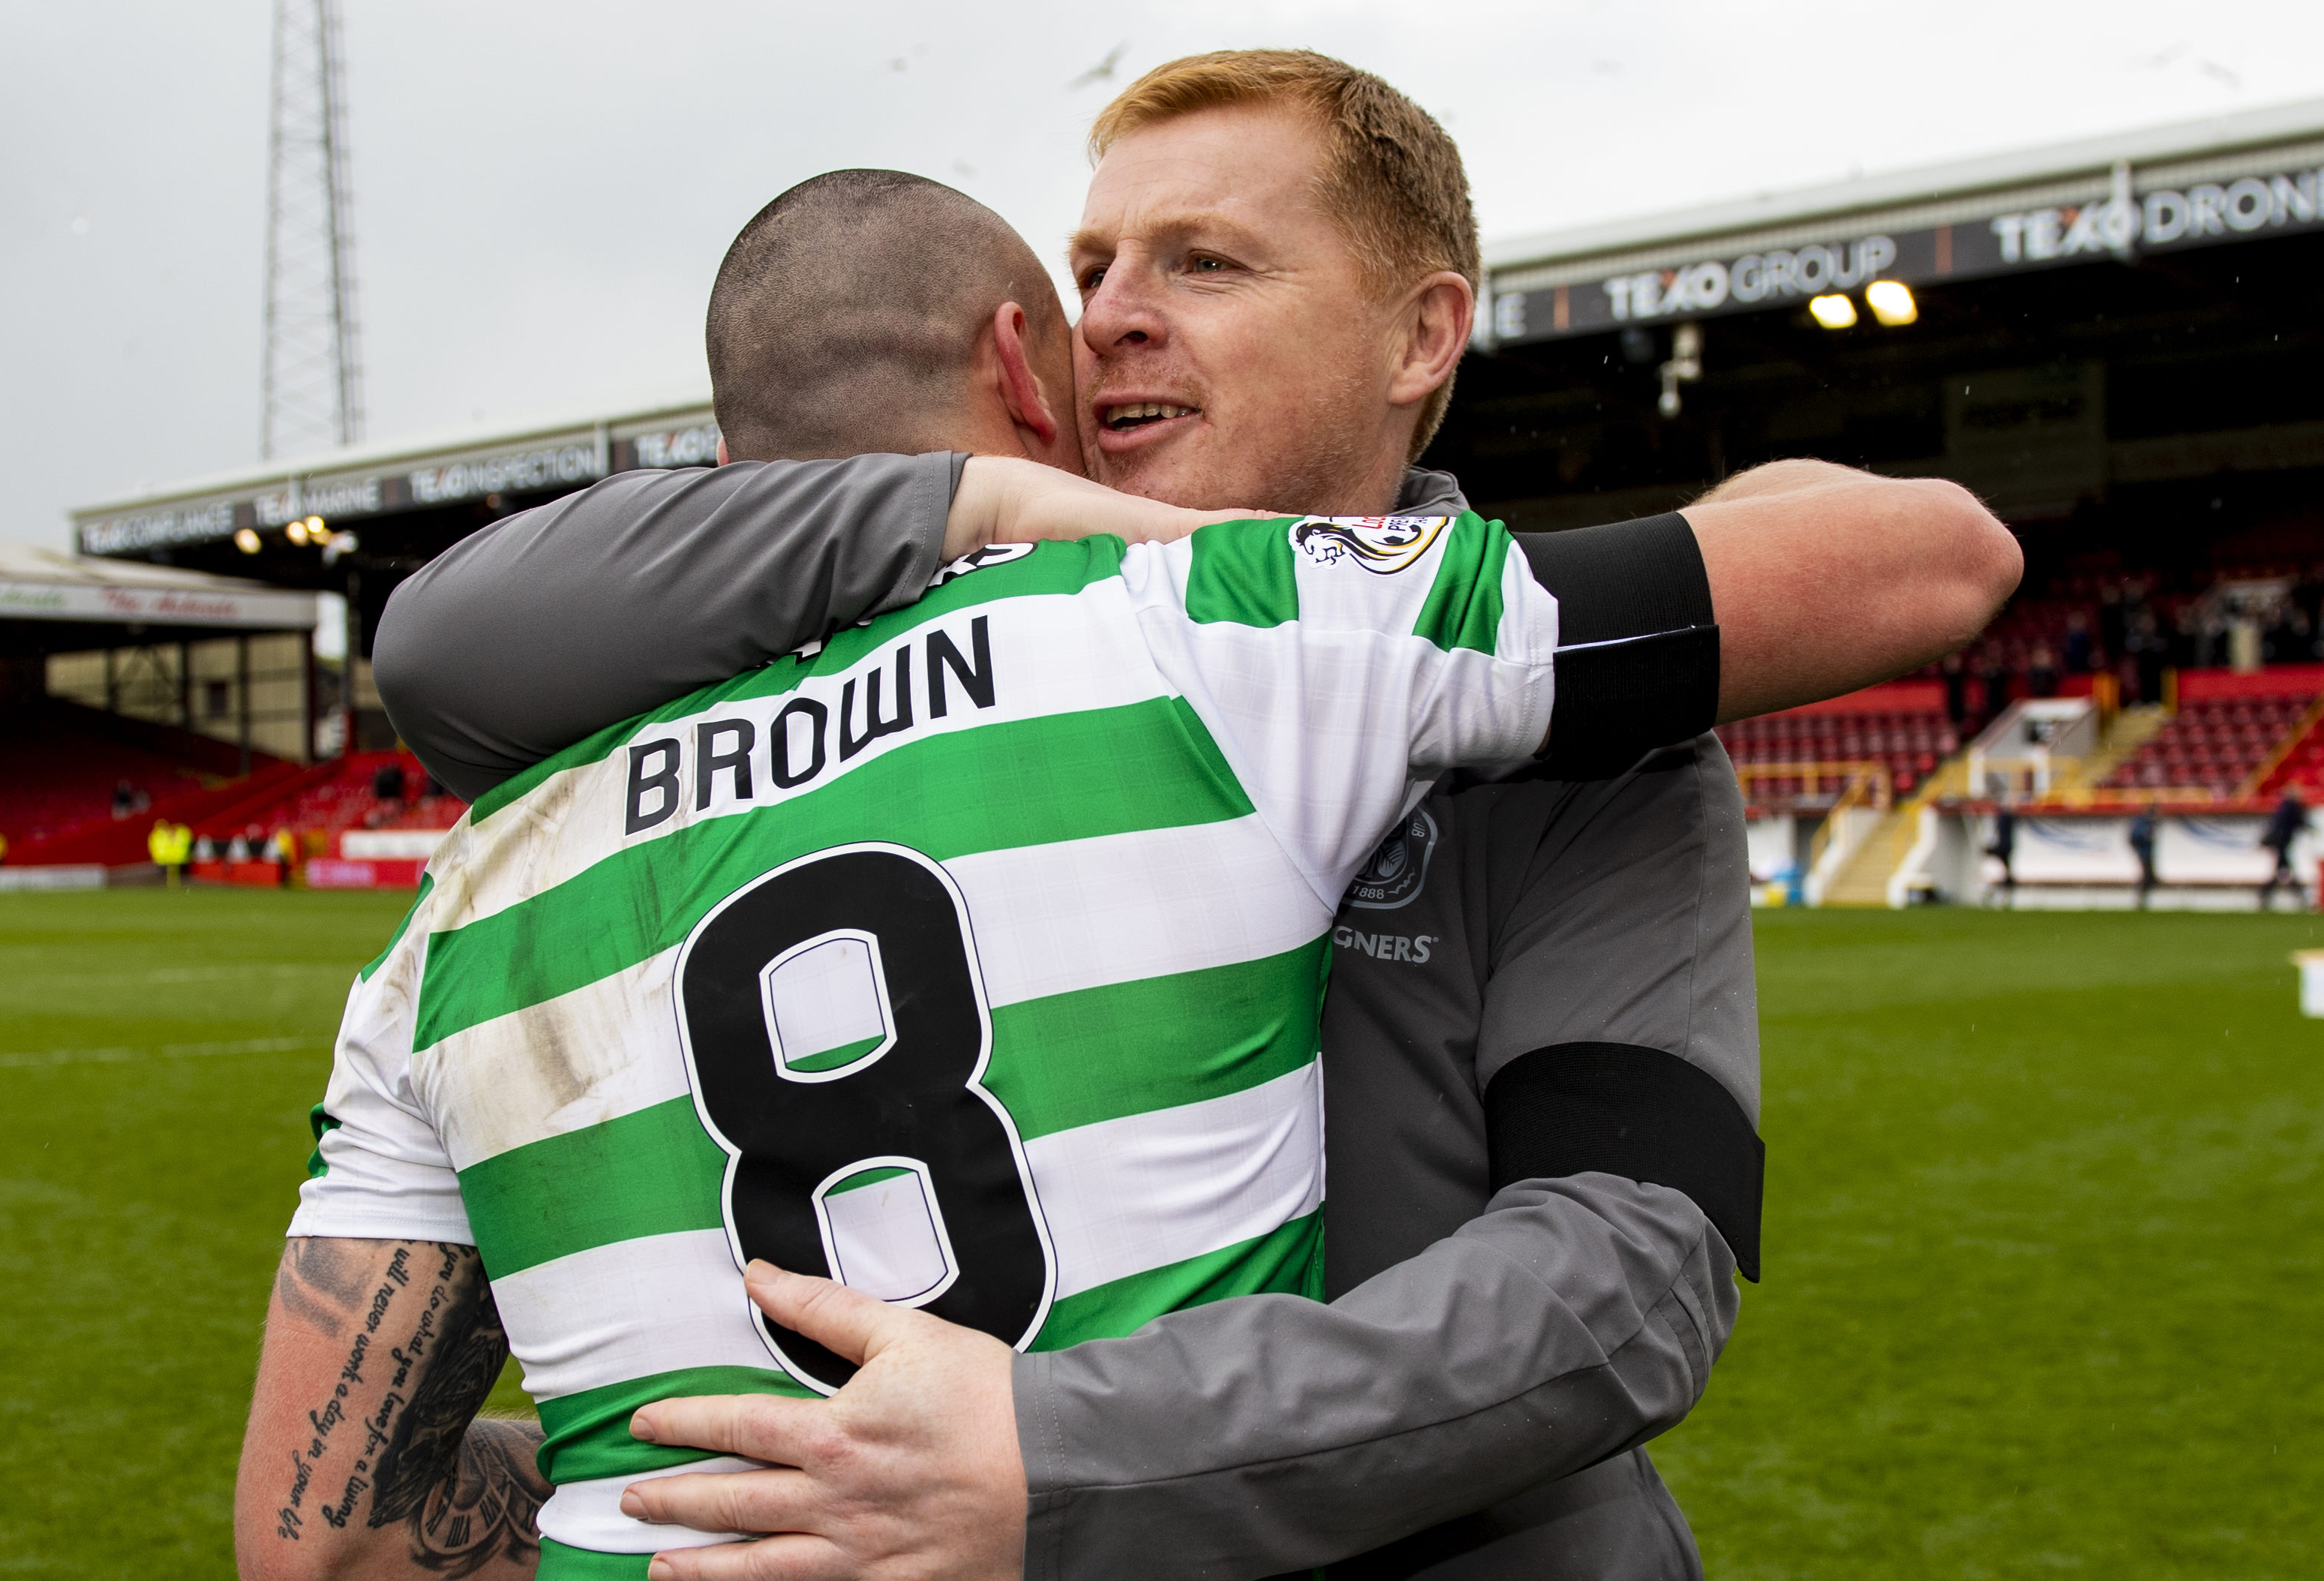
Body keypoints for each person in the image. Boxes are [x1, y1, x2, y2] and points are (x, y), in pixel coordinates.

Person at [362, 53, 2016, 1581]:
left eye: (1202, 263)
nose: (1109, 324)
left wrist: (1067, 1453)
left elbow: (1624, 1278)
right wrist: (967, 498)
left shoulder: (1570, 719)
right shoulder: (961, 651)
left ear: (1418, 336)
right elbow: (439, 644)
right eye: (1087, 273)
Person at [2260, 786, 2307, 909]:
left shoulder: (2283, 807)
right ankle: (2301, 898)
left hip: (2281, 844)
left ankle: (2265, 897)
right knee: (2286, 871)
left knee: (2282, 871)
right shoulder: (2292, 807)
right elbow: (2299, 822)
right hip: (2283, 844)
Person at [2130, 804, 2158, 908]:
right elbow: (2134, 837)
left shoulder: (2150, 822)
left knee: (2150, 878)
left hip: (2148, 853)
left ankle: (2143, 899)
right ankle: (2138, 899)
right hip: (2143, 853)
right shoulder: (2142, 822)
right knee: (2145, 876)